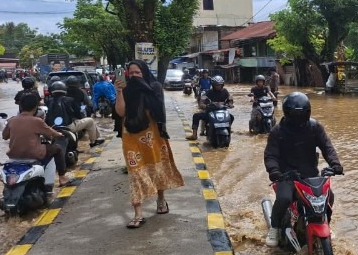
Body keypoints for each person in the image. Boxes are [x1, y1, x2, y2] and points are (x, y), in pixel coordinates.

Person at [263, 92, 343, 247]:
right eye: (295, 115)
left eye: (302, 115)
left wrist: (335, 165)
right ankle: (275, 227)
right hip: (287, 175)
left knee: (329, 196)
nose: (298, 119)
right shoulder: (277, 132)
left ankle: (325, 222)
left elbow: (327, 147)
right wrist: (274, 172)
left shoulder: (315, 127)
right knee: (284, 198)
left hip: (311, 174)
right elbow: (271, 155)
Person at [115, 60, 184, 228]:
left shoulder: (154, 87)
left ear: (144, 72)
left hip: (152, 135)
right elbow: (121, 112)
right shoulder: (125, 89)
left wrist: (145, 91)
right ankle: (138, 214)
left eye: (137, 73)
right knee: (135, 172)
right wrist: (119, 92)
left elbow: (158, 110)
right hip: (131, 136)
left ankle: (161, 200)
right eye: (131, 74)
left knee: (156, 167)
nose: (134, 76)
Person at [3, 94, 69, 187]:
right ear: (35, 107)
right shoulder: (37, 121)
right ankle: (62, 178)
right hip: (34, 154)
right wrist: (60, 134)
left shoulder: (12, 120)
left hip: (14, 155)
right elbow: (51, 133)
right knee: (57, 149)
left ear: (21, 106)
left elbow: (4, 136)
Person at [46, 81, 104, 147]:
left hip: (52, 128)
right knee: (90, 121)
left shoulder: (48, 101)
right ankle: (93, 142)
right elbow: (78, 114)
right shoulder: (70, 100)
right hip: (68, 126)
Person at [186, 76, 233, 140]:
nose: (218, 86)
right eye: (216, 85)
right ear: (213, 85)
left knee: (232, 117)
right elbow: (202, 99)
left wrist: (230, 104)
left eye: (219, 85)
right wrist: (202, 105)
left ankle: (229, 128)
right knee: (196, 116)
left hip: (223, 113)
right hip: (210, 113)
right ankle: (194, 135)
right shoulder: (209, 92)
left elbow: (230, 99)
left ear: (222, 85)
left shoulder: (225, 91)